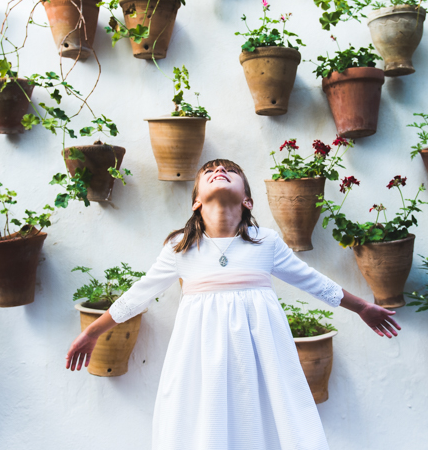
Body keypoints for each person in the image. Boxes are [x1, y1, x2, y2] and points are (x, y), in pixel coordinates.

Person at [66, 159, 401, 450]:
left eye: (229, 170)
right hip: (201, 359)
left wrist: (362, 308)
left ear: (248, 200)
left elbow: (313, 281)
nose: (219, 170)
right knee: (204, 426)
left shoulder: (265, 242)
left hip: (261, 357)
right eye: (210, 171)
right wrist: (92, 333)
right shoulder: (180, 248)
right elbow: (137, 295)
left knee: (263, 421)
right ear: (196, 202)